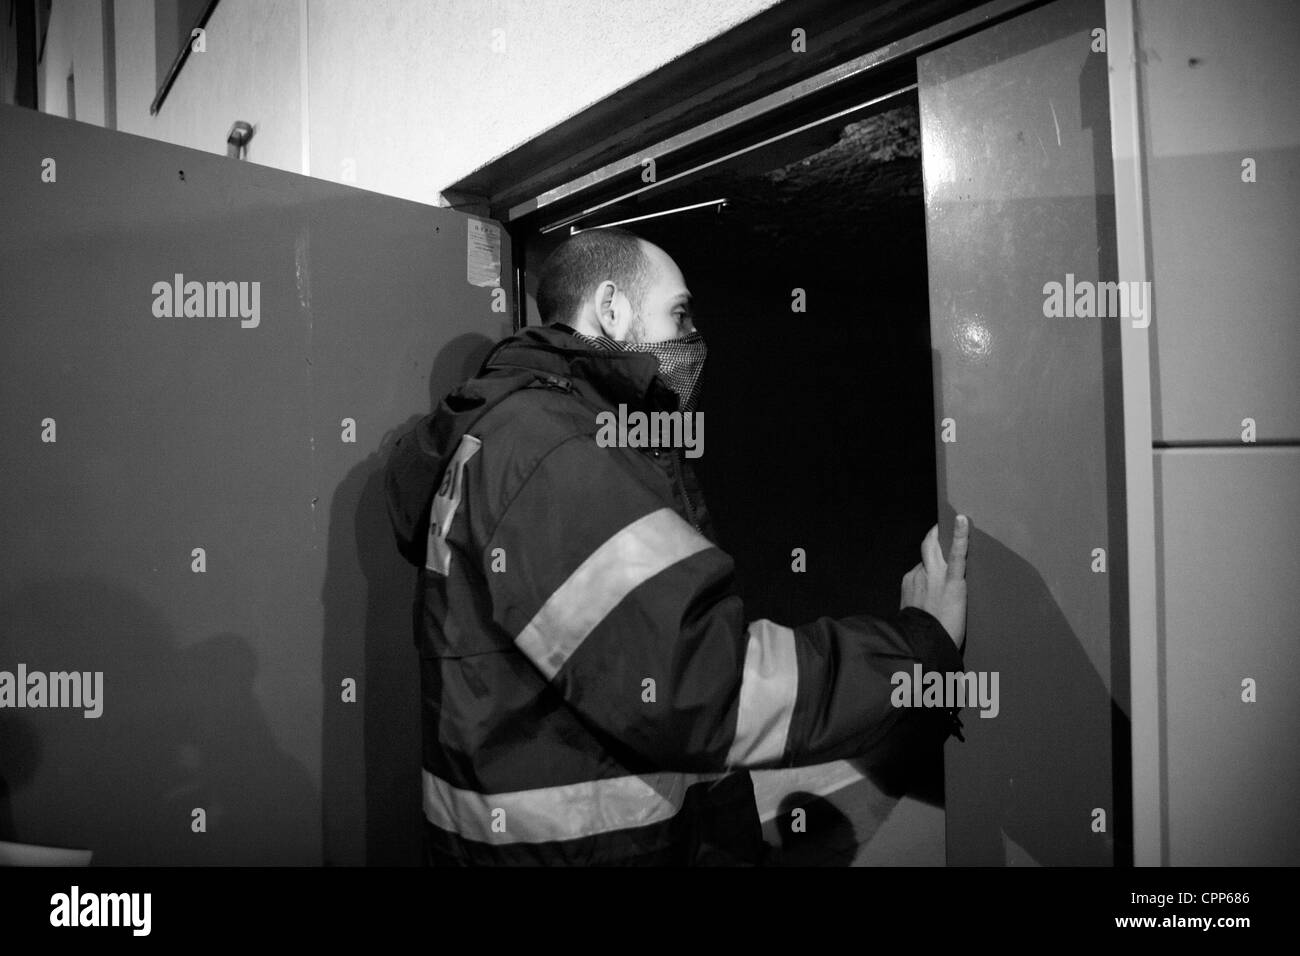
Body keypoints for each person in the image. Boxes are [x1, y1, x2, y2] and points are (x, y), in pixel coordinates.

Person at [384, 225, 970, 866]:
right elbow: (700, 686)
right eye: (680, 314)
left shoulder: (519, 432)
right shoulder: (556, 449)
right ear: (611, 309)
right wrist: (919, 651)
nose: (694, 341)